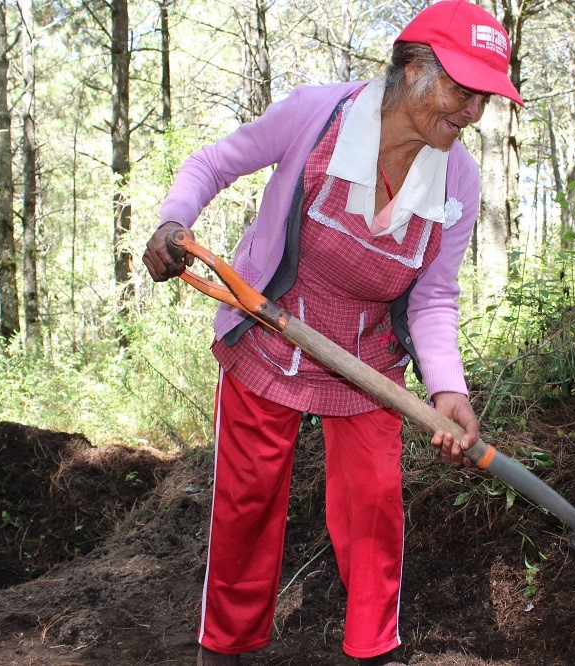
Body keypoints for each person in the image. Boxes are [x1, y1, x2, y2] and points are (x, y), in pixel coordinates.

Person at [143, 1, 523, 664]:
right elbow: (211, 164)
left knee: (374, 507)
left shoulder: (458, 179)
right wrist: (173, 222)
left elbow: (433, 297)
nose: (470, 113)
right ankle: (226, 650)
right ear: (412, 69)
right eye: (461, 90)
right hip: (268, 332)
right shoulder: (316, 116)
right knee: (247, 505)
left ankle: (376, 651)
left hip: (368, 360)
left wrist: (447, 389)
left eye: (483, 99)